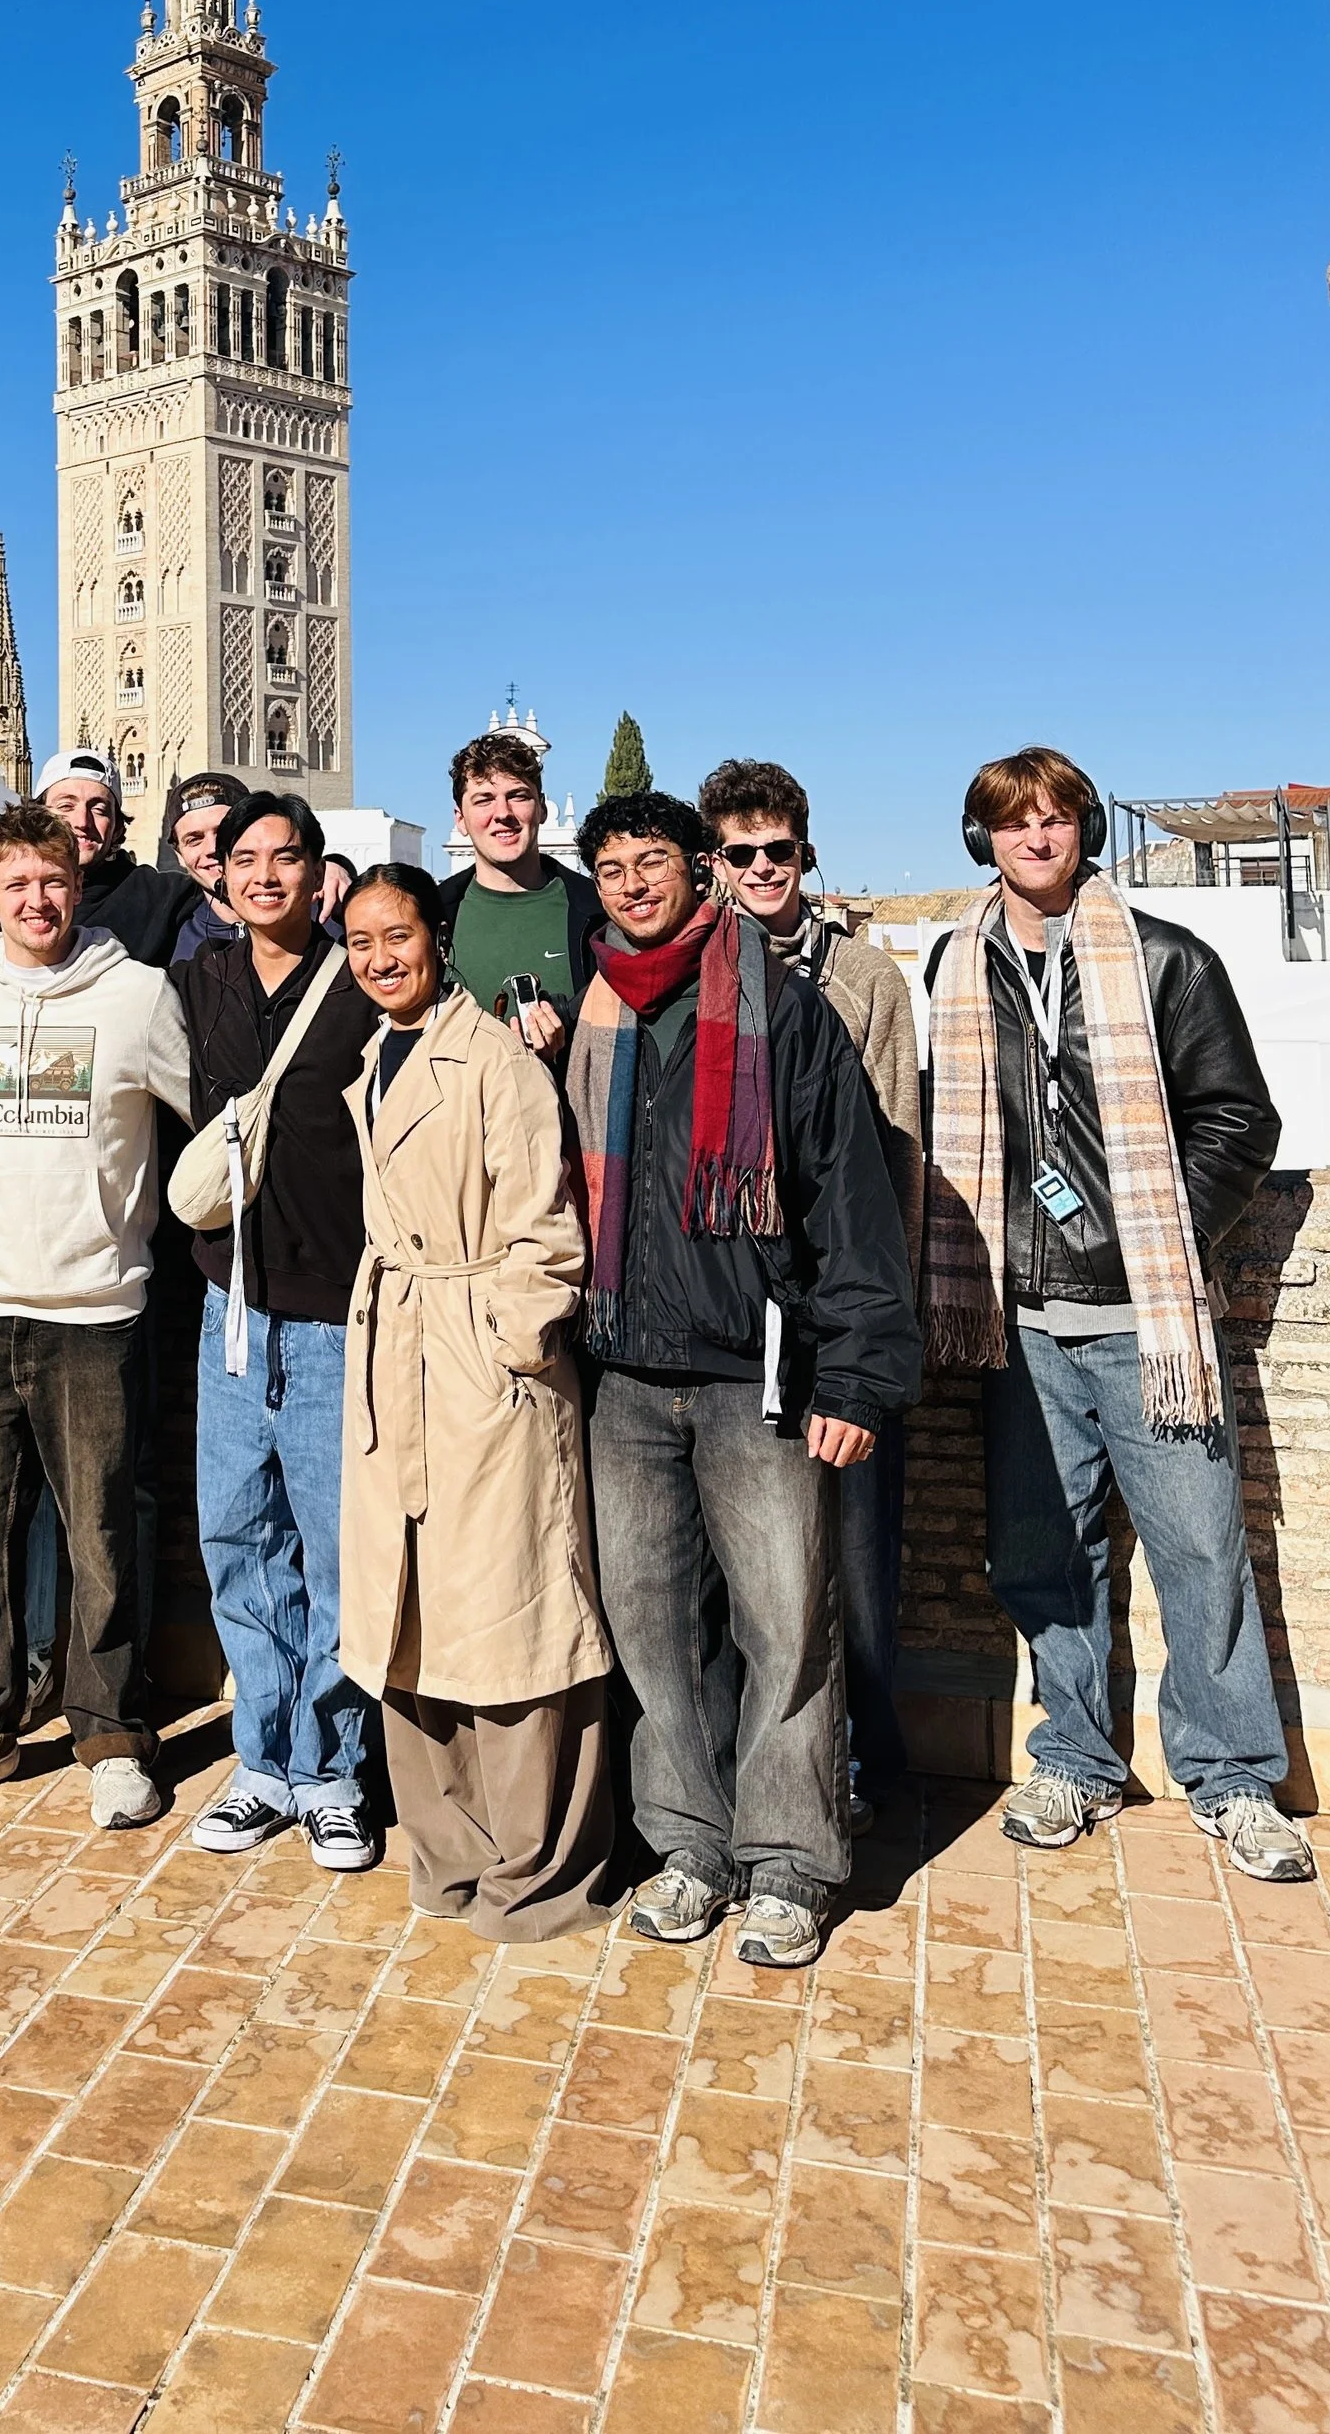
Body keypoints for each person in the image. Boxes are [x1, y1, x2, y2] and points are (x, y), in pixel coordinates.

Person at [925, 748, 1307, 1883]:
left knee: (1199, 1551)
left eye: (1056, 820)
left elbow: (1238, 1121)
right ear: (980, 840)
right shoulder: (957, 963)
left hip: (1148, 1321)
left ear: (1083, 831)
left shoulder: (1163, 959)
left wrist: (1155, 1238)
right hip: (1017, 1318)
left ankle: (1235, 1776)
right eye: (1012, 824)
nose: (1035, 839)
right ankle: (1077, 1760)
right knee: (1046, 1555)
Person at [566, 789, 920, 1970]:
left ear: (697, 873)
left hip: (754, 1378)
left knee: (787, 1627)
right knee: (653, 1631)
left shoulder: (788, 1016)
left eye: (650, 862)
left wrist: (859, 1378)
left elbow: (854, 1208)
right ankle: (689, 1848)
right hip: (622, 1376)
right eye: (610, 867)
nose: (630, 884)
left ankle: (788, 1865)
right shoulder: (592, 1016)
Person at [0, 803, 192, 1829]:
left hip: (96, 1310)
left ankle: (109, 1734)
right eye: (15, 885)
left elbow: (203, 1121)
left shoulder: (139, 997)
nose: (37, 901)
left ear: (79, 885)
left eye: (53, 882)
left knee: (102, 1540)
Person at [337, 865, 616, 1938]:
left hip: (478, 1362)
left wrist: (506, 1350)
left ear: (435, 937)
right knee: (407, 1610)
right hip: (398, 1351)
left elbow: (546, 1232)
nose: (377, 958)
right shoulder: (375, 1055)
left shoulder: (493, 1060)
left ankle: (536, 1867)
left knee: (512, 1613)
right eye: (358, 941)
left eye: (394, 935)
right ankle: (445, 1852)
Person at [698, 757, 924, 1828]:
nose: (758, 871)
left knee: (855, 1564)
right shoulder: (688, 976)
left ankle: (867, 1766)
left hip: (833, 1312)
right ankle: (764, 1772)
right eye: (737, 854)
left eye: (775, 852)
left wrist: (871, 1342)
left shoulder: (864, 981)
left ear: (804, 854)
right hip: (737, 1328)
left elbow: (892, 1162)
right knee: (757, 1575)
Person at [175, 792, 381, 1869]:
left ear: (317, 873)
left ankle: (332, 1768)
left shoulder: (360, 979)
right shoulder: (193, 982)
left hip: (335, 1312)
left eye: (283, 858)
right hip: (229, 1313)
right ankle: (262, 1763)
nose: (262, 875)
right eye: (241, 858)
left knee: (337, 1553)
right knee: (240, 1542)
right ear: (217, 875)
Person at [435, 731, 604, 1067]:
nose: (503, 813)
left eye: (518, 796)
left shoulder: (596, 912)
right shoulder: (432, 913)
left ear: (541, 808)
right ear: (460, 820)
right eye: (484, 799)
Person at [0, 751, 192, 968]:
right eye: (66, 806)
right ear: (39, 814)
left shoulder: (165, 897)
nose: (82, 822)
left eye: (99, 809)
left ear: (116, 826)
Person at [161, 770, 250, 973]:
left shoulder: (318, 916)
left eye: (223, 832)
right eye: (194, 839)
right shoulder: (171, 936)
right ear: (179, 856)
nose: (212, 848)